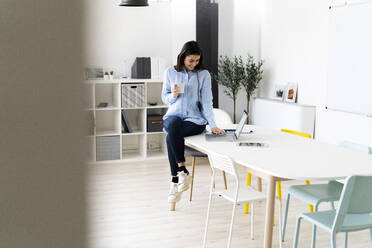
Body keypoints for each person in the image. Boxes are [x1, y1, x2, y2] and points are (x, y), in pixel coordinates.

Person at [161, 41, 226, 203]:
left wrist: (213, 124)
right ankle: (182, 170)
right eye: (191, 60)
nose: (194, 64)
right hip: (174, 115)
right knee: (173, 124)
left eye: (197, 60)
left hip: (194, 120)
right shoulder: (170, 72)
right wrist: (173, 95)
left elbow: (207, 101)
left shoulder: (203, 74)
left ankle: (175, 181)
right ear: (182, 57)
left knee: (171, 136)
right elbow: (165, 97)